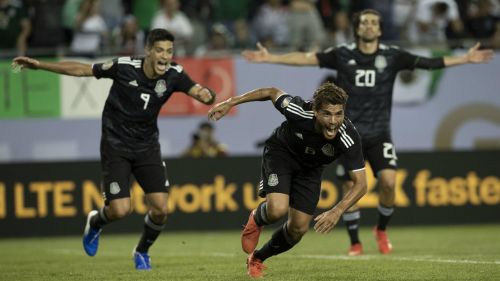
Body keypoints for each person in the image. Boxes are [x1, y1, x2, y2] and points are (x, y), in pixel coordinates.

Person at [241, 9, 495, 256]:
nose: (370, 26)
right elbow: (307, 59)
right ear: (357, 28)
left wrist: (464, 58)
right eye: (365, 22)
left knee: (388, 182)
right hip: (342, 134)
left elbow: (428, 63)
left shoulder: (393, 55)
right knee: (350, 185)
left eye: (374, 22)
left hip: (379, 133)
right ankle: (354, 242)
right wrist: (270, 57)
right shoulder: (343, 54)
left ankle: (381, 230)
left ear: (380, 28)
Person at [12, 28, 216, 270]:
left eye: (169, 51)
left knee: (161, 209)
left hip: (147, 146)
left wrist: (208, 96)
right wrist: (40, 65)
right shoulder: (124, 66)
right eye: (160, 50)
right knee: (120, 210)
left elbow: (201, 92)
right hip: (116, 144)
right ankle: (96, 222)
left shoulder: (174, 74)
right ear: (148, 51)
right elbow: (82, 70)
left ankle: (141, 251)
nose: (165, 56)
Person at [208, 82, 367, 278]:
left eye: (338, 114)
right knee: (277, 210)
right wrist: (231, 102)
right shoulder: (299, 111)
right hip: (282, 154)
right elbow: (270, 92)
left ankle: (257, 258)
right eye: (326, 114)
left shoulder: (348, 136)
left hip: (311, 169)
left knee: (298, 228)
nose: (333, 121)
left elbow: (361, 184)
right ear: (315, 111)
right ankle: (257, 218)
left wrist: (337, 211)